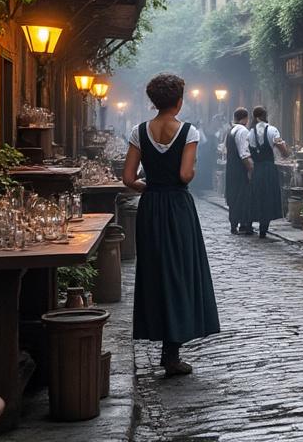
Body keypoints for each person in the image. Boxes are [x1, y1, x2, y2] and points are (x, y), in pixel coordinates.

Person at [121, 73, 220, 377]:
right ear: (178, 102)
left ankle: (164, 344)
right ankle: (172, 352)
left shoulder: (139, 131)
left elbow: (127, 178)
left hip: (151, 206)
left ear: (154, 102)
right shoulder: (188, 132)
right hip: (178, 206)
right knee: (179, 272)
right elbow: (186, 175)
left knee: (155, 272)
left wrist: (149, 188)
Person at [242, 106, 290, 238]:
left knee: (255, 196)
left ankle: (249, 224)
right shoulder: (272, 130)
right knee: (267, 197)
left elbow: (246, 152)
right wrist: (286, 151)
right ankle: (263, 229)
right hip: (269, 169)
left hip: (256, 168)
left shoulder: (249, 133)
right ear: (265, 115)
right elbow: (284, 151)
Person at [223, 107, 254, 234]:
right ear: (246, 118)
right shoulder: (243, 131)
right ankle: (243, 224)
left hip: (231, 168)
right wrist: (251, 169)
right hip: (240, 170)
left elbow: (225, 149)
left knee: (234, 196)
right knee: (242, 197)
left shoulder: (231, 130)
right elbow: (244, 154)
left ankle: (234, 223)